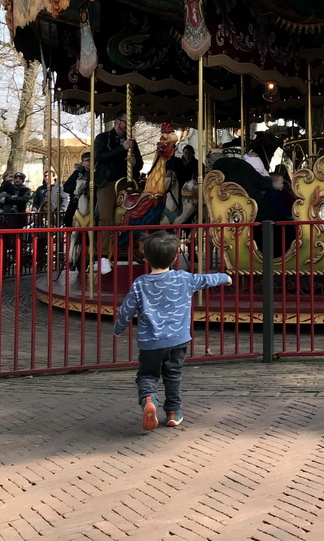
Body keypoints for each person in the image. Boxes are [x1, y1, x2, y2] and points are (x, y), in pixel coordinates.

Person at [112, 232, 231, 430]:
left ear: (147, 258)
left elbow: (126, 310)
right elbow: (207, 279)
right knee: (173, 375)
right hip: (178, 339)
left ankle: (149, 400)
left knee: (147, 375)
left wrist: (118, 329)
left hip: (151, 342)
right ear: (175, 257)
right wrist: (225, 277)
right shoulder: (184, 278)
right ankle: (174, 412)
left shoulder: (141, 283)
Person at [94, 111, 143, 274]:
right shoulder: (103, 138)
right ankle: (102, 256)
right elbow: (100, 157)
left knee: (139, 213)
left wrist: (134, 163)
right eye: (126, 122)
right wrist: (122, 149)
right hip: (108, 183)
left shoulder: (132, 143)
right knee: (106, 216)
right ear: (117, 122)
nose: (129, 126)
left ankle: (136, 251)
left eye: (131, 124)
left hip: (127, 184)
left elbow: (141, 164)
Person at [63, 152, 91, 227]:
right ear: (82, 163)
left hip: (92, 201)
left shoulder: (97, 173)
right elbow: (66, 187)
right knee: (69, 219)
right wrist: (77, 187)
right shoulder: (77, 173)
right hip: (77, 201)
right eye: (88, 160)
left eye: (92, 160)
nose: (91, 162)